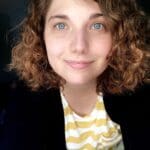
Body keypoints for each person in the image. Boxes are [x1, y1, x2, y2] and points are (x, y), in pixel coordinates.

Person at [0, 0, 150, 149]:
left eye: (97, 26)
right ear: (42, 35)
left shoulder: (141, 91)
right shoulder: (22, 107)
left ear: (119, 34)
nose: (79, 47)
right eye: (61, 25)